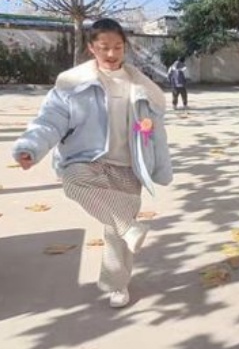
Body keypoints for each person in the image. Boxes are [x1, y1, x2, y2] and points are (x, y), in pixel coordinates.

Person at [13, 18, 172, 308]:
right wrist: (31, 147)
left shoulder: (142, 87)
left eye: (117, 47)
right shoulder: (72, 84)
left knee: (116, 234)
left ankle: (117, 285)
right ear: (91, 48)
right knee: (74, 182)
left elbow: (155, 132)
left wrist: (160, 167)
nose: (111, 54)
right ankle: (129, 224)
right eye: (104, 47)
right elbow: (50, 120)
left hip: (129, 167)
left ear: (125, 47)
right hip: (87, 159)